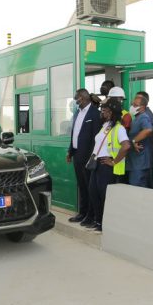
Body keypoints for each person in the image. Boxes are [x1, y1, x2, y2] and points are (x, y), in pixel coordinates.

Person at [87, 99, 131, 232]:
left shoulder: (119, 128)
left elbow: (126, 145)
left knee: (103, 195)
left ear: (112, 112)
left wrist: (114, 161)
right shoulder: (106, 126)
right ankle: (98, 221)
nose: (102, 113)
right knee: (93, 192)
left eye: (105, 111)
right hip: (97, 164)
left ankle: (105, 223)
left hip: (106, 165)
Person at [67, 89, 101, 226]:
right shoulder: (77, 113)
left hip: (88, 156)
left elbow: (95, 138)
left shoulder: (95, 113)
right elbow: (74, 134)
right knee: (81, 185)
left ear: (82, 98)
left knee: (89, 187)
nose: (75, 100)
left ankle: (91, 215)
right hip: (77, 154)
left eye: (76, 98)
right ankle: (82, 212)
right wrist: (70, 151)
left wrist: (92, 156)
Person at [126, 94, 153, 188]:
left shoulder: (143, 117)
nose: (132, 107)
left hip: (140, 163)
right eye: (132, 104)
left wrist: (133, 141)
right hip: (135, 162)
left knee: (137, 189)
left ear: (142, 107)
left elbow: (148, 130)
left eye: (135, 105)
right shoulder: (136, 118)